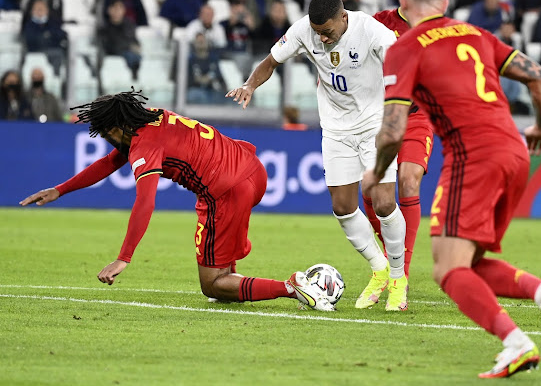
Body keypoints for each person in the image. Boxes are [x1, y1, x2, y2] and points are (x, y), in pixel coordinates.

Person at [361, 0, 541, 379]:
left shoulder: (405, 47)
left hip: (472, 158)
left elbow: (391, 130)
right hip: (515, 151)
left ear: (403, 0)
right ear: (444, 3)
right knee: (471, 262)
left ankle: (516, 343)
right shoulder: (476, 34)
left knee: (447, 269)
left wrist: (375, 173)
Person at [19, 89, 334, 311]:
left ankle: (294, 286)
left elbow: (145, 202)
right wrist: (60, 189)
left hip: (226, 192)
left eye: (105, 133)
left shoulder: (143, 146)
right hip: (252, 170)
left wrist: (124, 257)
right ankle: (231, 280)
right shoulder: (152, 117)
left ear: (117, 127)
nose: (105, 139)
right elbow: (110, 161)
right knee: (220, 267)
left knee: (211, 284)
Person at [227, 0, 409, 311]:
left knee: (383, 203)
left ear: (343, 17)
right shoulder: (304, 31)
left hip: (374, 126)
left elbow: (405, 63)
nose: (322, 38)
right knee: (342, 207)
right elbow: (271, 61)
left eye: (327, 31)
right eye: (317, 31)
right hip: (336, 129)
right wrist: (250, 85)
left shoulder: (371, 31)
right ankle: (379, 269)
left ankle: (397, 278)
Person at [370, 0, 436, 285]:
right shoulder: (378, 21)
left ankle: (401, 274)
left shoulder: (437, 27)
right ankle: (388, 256)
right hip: (380, 118)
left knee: (409, 180)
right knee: (372, 193)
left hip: (418, 116)